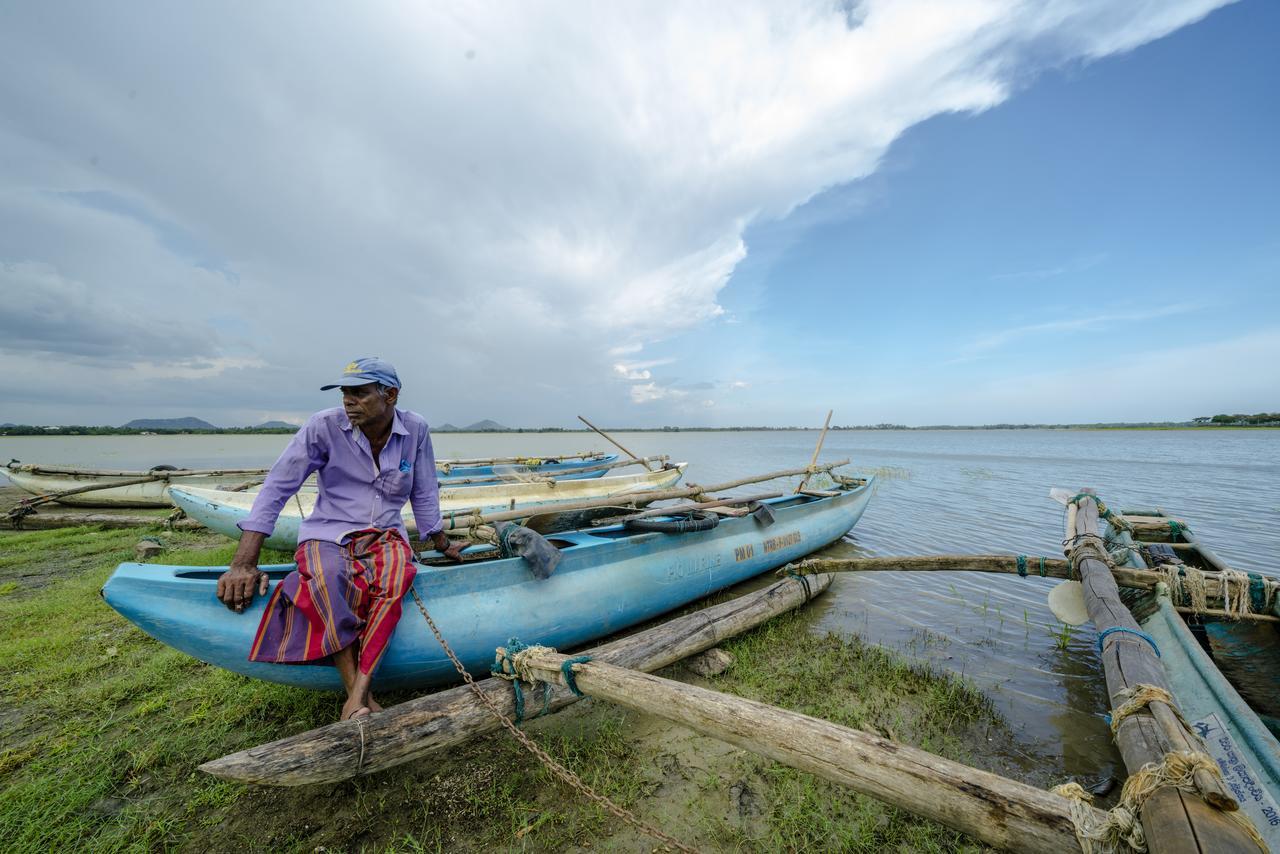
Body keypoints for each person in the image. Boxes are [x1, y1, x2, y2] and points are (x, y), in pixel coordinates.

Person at [216, 357, 462, 721]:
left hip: (386, 532)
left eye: (359, 393)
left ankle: (358, 693)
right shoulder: (323, 427)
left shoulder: (415, 429)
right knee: (328, 579)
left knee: (395, 580)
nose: (348, 401)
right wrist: (243, 563)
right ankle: (357, 695)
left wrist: (440, 542)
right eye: (345, 393)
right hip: (328, 531)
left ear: (390, 395)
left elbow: (424, 491)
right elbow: (278, 488)